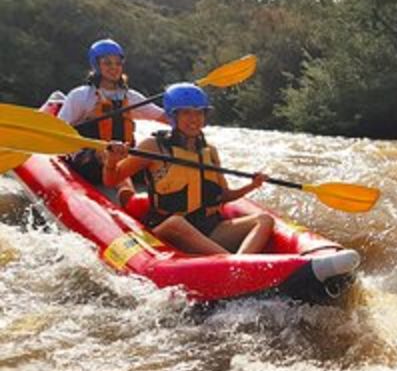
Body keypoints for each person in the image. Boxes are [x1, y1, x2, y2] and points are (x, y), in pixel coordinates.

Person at [103, 83, 274, 256]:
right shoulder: (153, 147)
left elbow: (223, 195)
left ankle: (239, 264)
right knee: (176, 222)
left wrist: (252, 185)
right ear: (172, 116)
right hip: (168, 231)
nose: (194, 119)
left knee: (265, 219)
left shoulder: (210, 151)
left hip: (209, 228)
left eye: (199, 112)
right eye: (186, 112)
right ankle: (234, 265)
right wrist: (112, 160)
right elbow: (111, 180)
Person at [58, 39, 168, 199]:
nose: (114, 68)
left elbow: (163, 117)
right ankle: (127, 194)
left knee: (151, 148)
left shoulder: (130, 96)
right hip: (89, 160)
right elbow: (61, 128)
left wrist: (185, 114)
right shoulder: (81, 96)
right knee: (107, 152)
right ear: (97, 66)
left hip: (124, 157)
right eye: (107, 63)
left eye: (118, 63)